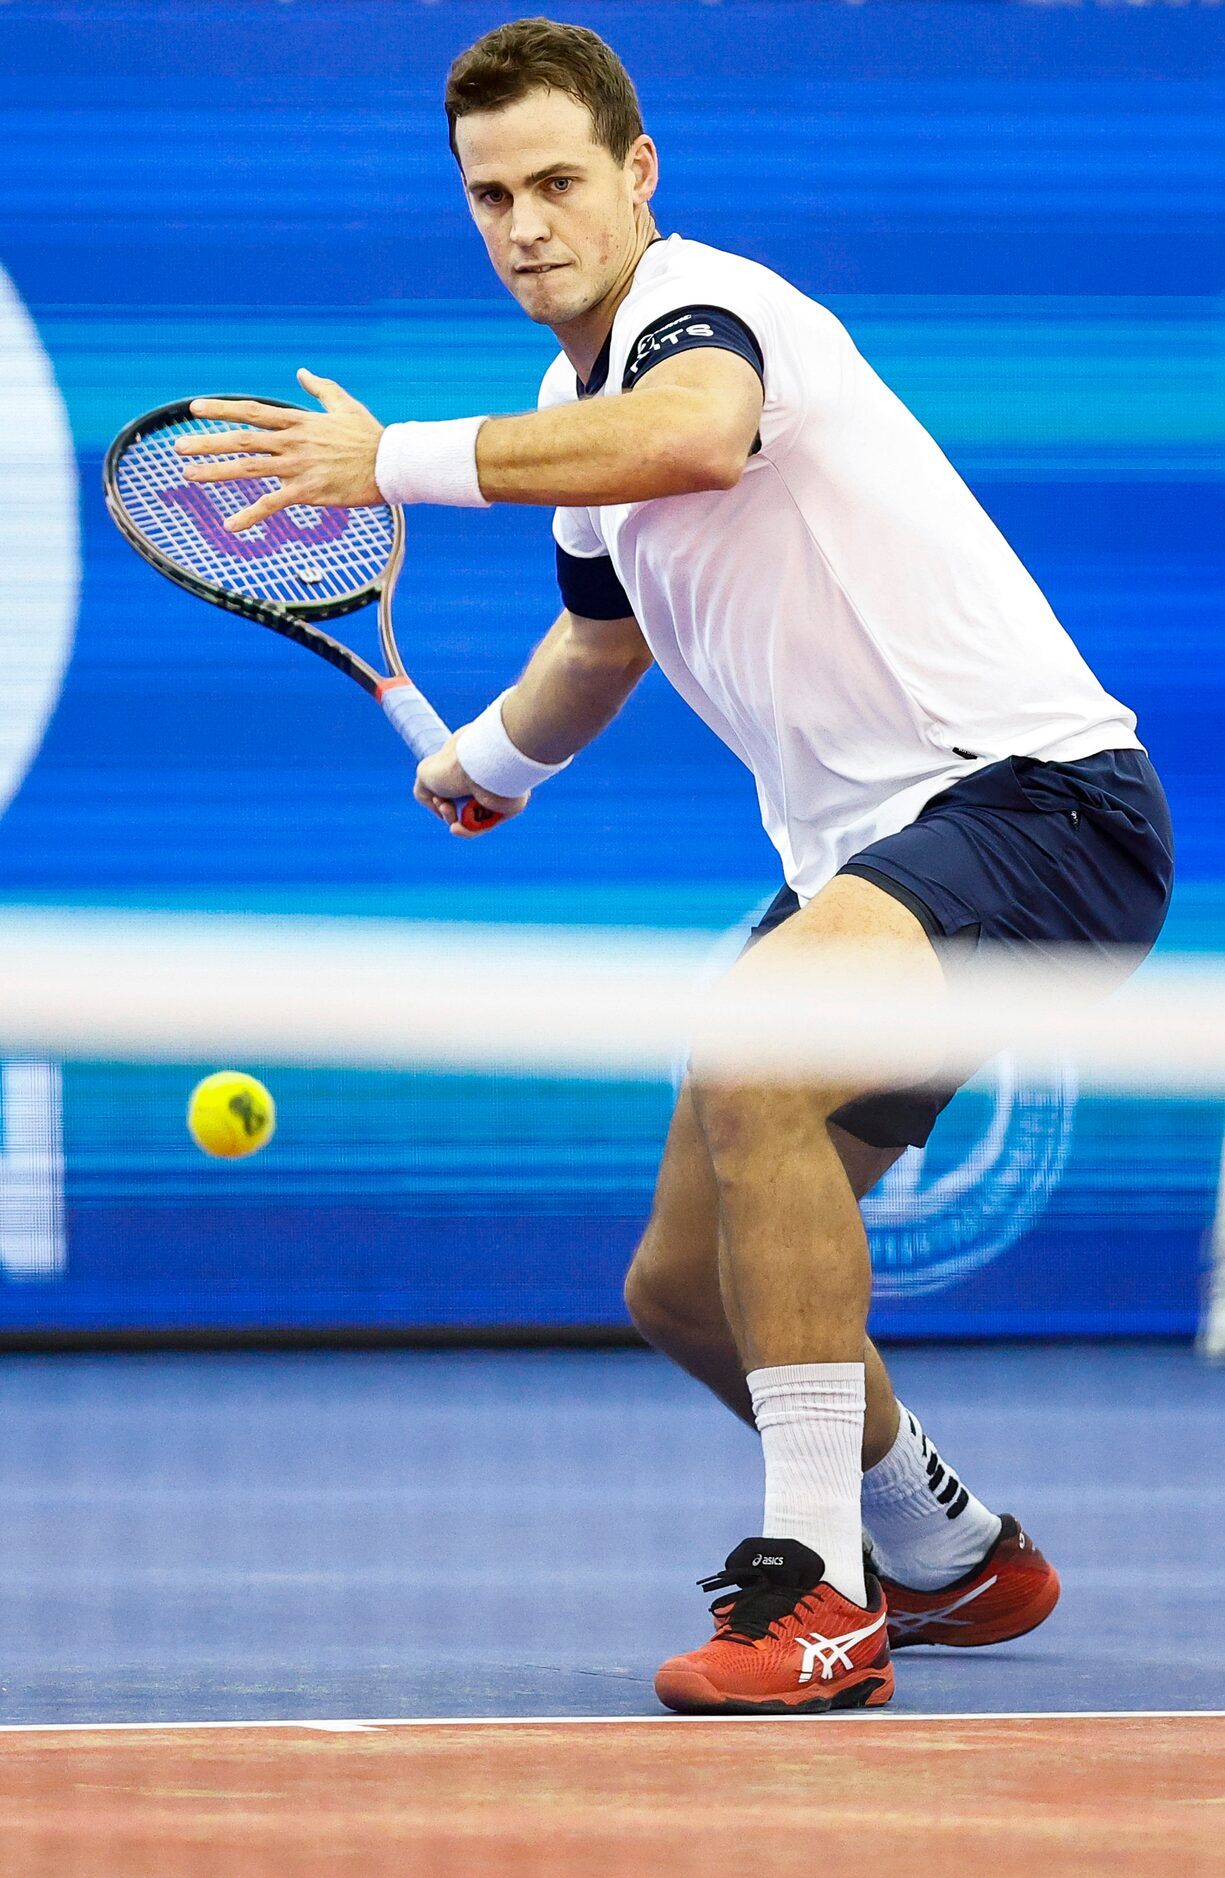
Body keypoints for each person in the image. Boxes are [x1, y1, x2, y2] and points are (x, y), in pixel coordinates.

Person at [174, 17, 1174, 1715]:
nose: (525, 224)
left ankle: (816, 1599)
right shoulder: (585, 415)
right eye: (490, 194)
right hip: (881, 851)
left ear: (638, 177)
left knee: (755, 1051)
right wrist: (488, 764)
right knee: (681, 1285)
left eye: (559, 181)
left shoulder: (708, 315)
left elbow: (697, 433)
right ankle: (949, 1551)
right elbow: (600, 648)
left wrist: (392, 457)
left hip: (1039, 803)